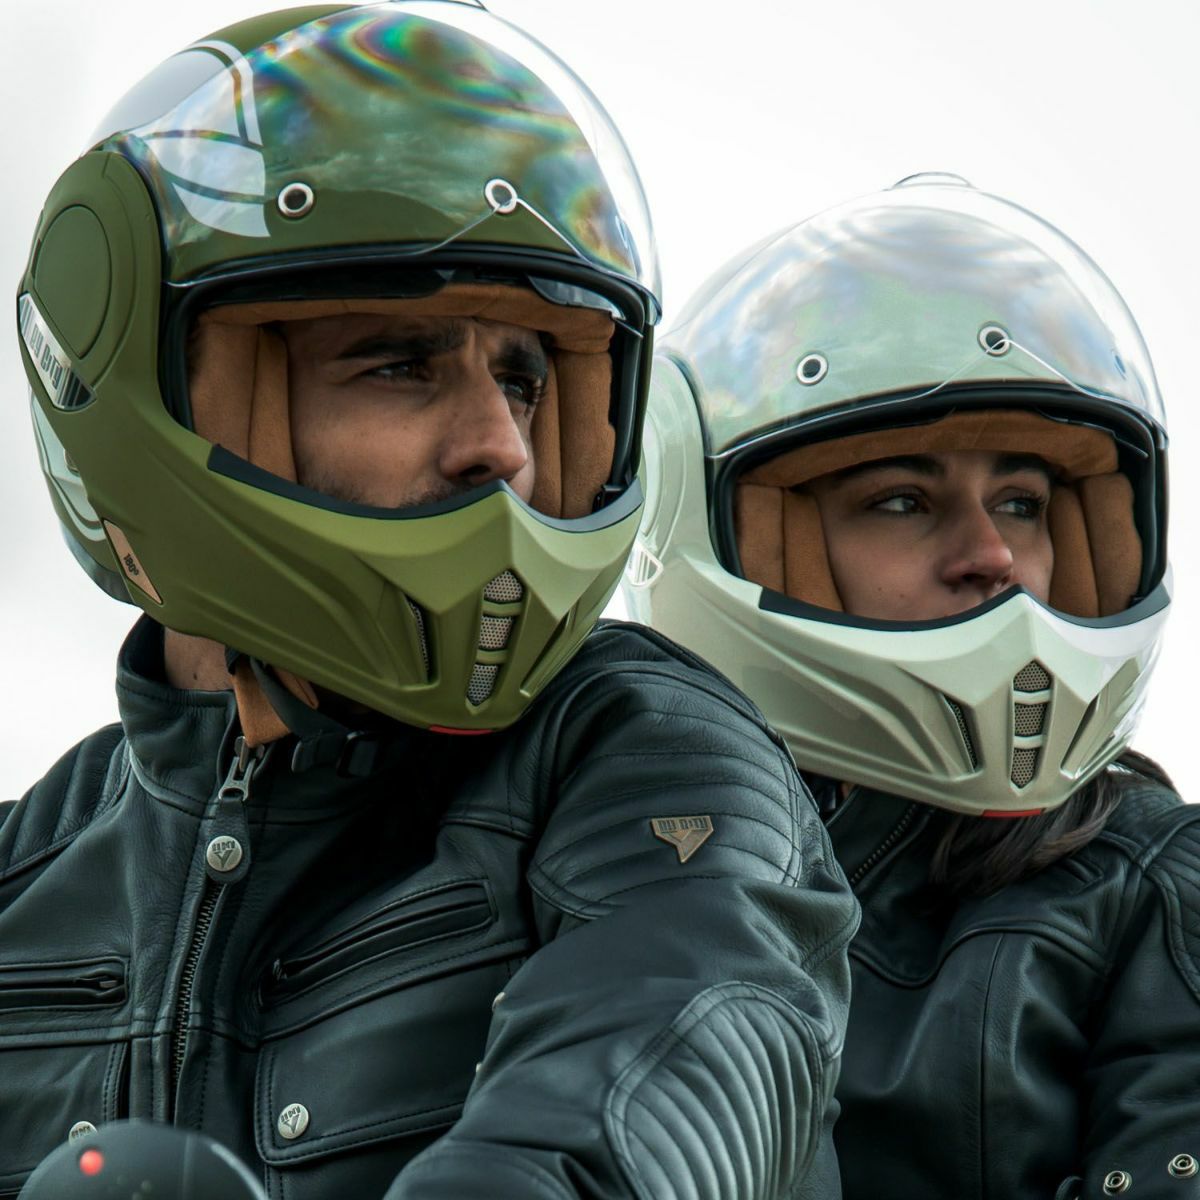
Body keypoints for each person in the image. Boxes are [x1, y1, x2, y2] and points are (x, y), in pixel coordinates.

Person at [3, 4, 859, 1197]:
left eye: (525, 379)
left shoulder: (641, 750)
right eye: (400, 364)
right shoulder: (26, 868)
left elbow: (668, 1056)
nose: (502, 446)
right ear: (172, 391)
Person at [625, 173, 1195, 1199]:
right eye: (901, 501)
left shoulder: (1149, 889)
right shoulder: (603, 849)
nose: (993, 556)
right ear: (748, 538)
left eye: (1022, 503)